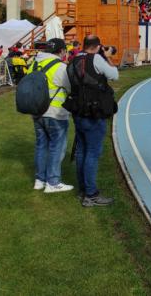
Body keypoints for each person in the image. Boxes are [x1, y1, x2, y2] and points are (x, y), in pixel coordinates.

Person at [67, 35, 118, 207]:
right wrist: (109, 56)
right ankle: (91, 194)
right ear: (97, 47)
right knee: (92, 153)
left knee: (82, 151)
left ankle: (83, 190)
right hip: (94, 112)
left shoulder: (74, 60)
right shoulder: (96, 58)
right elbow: (114, 75)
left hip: (78, 110)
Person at [27, 38, 72, 193]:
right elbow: (69, 86)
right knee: (56, 147)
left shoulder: (34, 63)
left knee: (41, 146)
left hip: (37, 111)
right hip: (55, 112)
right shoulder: (59, 67)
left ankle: (39, 180)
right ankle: (53, 182)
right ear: (61, 51)